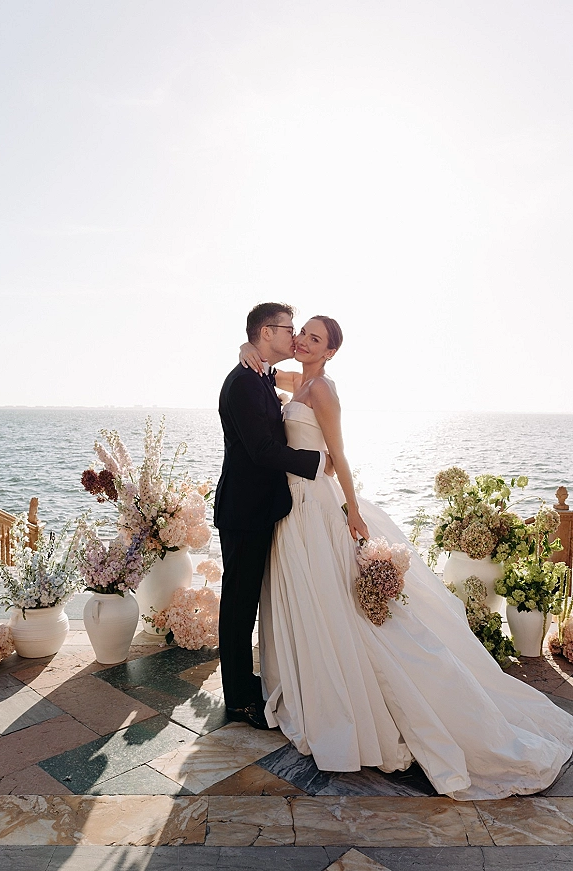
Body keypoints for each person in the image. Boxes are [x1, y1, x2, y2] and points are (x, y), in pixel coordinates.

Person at [239, 314, 573, 800]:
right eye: (302, 334)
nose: (304, 341)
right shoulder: (295, 380)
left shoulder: (324, 391)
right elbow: (265, 372)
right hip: (292, 510)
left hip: (317, 505)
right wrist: (242, 349)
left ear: (330, 351)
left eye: (315, 338)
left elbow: (340, 456)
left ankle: (377, 705)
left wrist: (352, 510)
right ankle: (316, 689)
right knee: (311, 601)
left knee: (341, 606)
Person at [214, 302, 332, 730]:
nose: (294, 337)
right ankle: (240, 699)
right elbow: (262, 451)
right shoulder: (244, 382)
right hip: (244, 511)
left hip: (262, 508)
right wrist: (318, 464)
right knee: (239, 607)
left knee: (250, 601)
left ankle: (247, 682)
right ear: (266, 332)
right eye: (288, 330)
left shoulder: (260, 374)